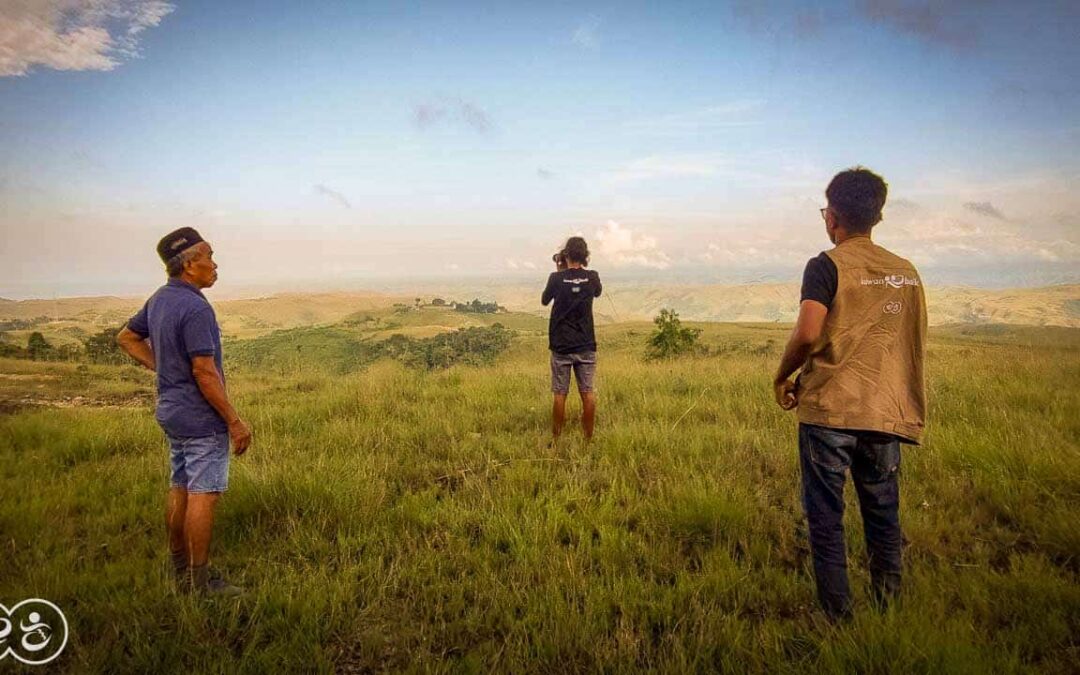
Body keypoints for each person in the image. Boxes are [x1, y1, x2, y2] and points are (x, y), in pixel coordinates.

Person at [772, 167, 927, 620]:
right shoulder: (906, 273)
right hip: (885, 410)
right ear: (876, 216)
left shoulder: (825, 265)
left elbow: (806, 334)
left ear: (833, 217)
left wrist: (782, 377)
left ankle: (838, 622)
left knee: (826, 520)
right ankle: (888, 611)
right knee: (883, 514)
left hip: (829, 413)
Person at [117, 227, 252, 596]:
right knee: (203, 494)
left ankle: (178, 567)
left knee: (179, 487)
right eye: (209, 256)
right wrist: (234, 421)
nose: (215, 263)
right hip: (199, 415)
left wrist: (164, 368)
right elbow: (205, 372)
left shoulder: (160, 299)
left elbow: (126, 338)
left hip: (171, 411)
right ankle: (199, 582)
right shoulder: (195, 307)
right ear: (190, 264)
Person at [541, 237, 602, 442]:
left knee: (560, 393)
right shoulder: (592, 277)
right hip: (586, 343)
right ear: (585, 256)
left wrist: (560, 271)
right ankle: (588, 438)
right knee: (588, 392)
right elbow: (598, 292)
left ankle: (557, 438)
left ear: (565, 255)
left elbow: (544, 300)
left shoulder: (556, 278)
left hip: (561, 345)